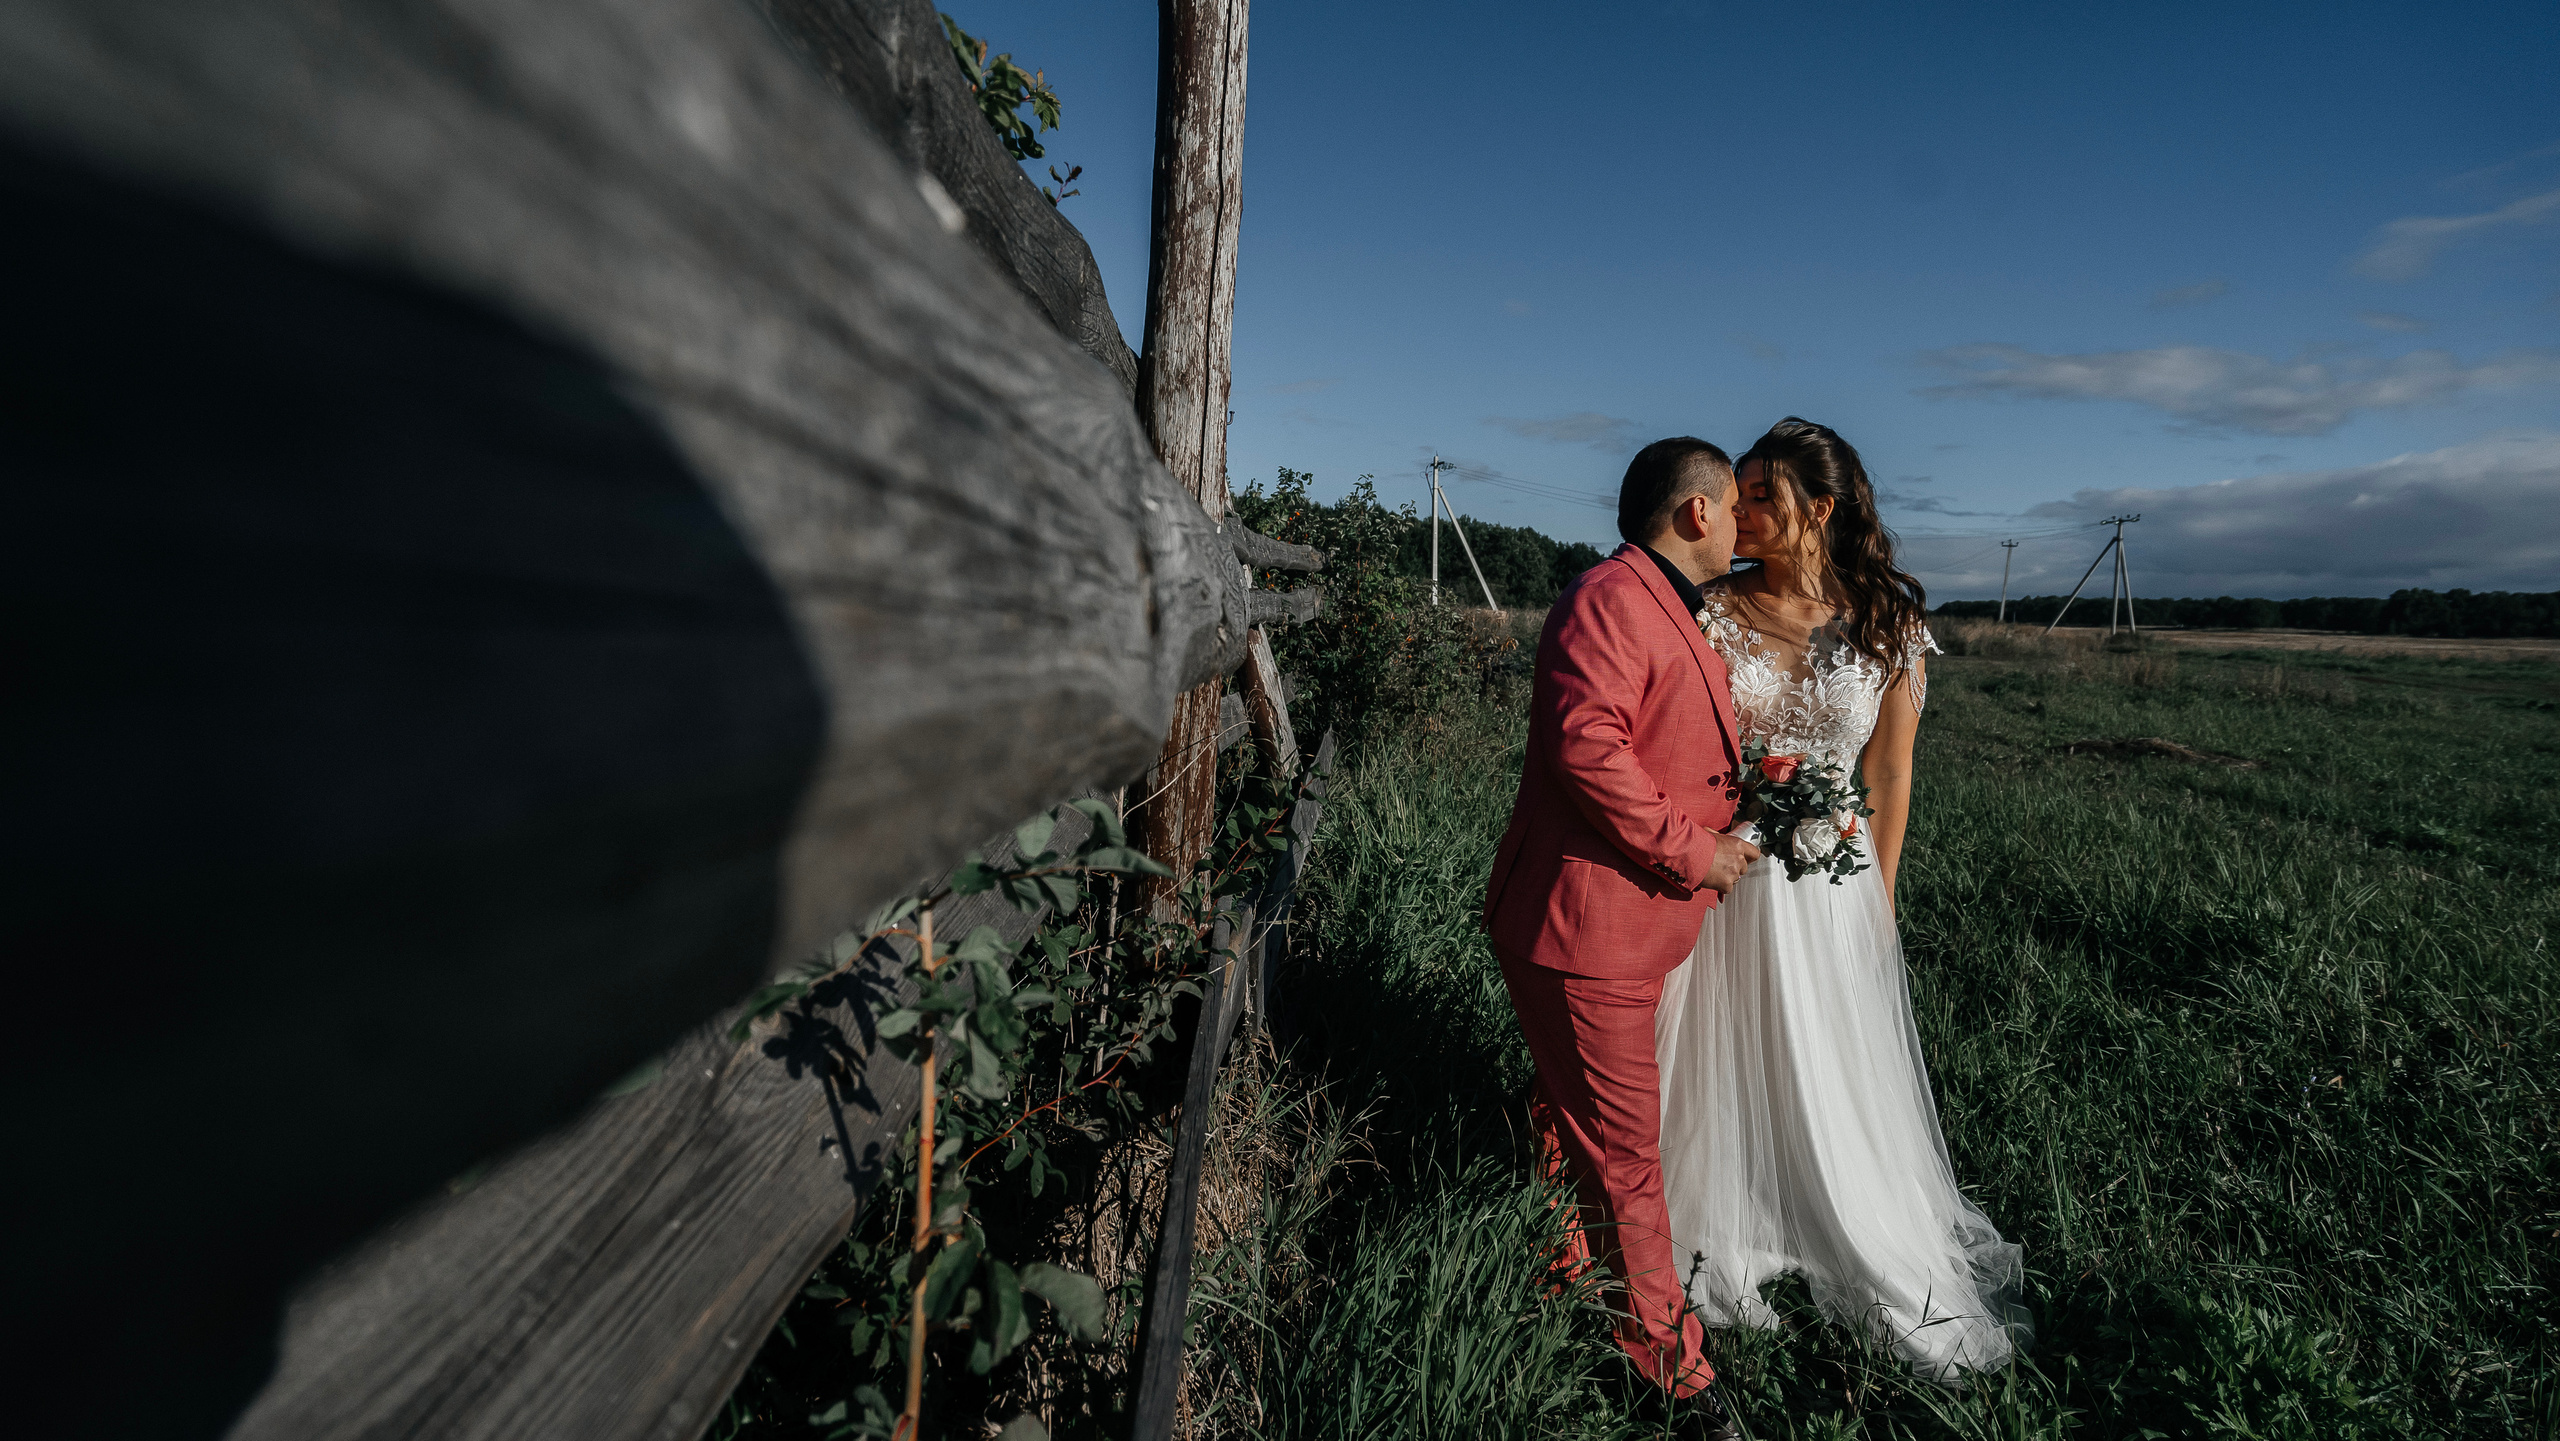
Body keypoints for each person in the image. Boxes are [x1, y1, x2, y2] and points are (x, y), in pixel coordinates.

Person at [1655, 417, 2029, 1380]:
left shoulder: (1889, 622)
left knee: (1825, 1047)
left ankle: (1836, 1211)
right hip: (1728, 862)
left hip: (1834, 873)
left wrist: (1881, 898)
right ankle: (1724, 1211)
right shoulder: (1709, 606)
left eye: (1761, 495)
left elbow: (1892, 772)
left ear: (1818, 509)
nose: (1739, 509)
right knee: (1718, 1043)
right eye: (1736, 491)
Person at [1482, 437, 1760, 1435]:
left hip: (1610, 932)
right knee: (1625, 1154)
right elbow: (1584, 745)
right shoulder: (1610, 596)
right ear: (1694, 513)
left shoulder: (1661, 603)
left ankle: (1557, 1281)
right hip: (1581, 931)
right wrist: (1696, 850)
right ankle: (1673, 1380)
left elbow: (1657, 737)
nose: (1742, 528)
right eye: (1734, 509)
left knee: (1571, 1126)